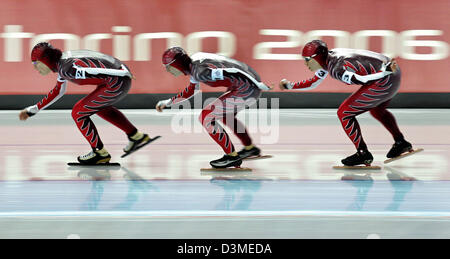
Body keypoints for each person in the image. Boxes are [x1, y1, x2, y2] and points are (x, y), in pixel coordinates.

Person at [279, 40, 414, 166]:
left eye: (308, 60)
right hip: (392, 72)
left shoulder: (337, 69)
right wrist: (290, 86)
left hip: (385, 77)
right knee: (377, 110)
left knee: (344, 113)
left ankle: (363, 153)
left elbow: (363, 79)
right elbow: (314, 82)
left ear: (318, 58)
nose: (306, 63)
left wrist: (385, 72)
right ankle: (401, 142)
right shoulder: (329, 57)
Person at [19, 42, 154, 165]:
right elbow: (58, 91)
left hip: (117, 81)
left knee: (78, 112)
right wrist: (33, 109)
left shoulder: (66, 68)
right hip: (116, 79)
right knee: (98, 108)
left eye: (36, 64)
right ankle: (135, 136)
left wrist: (122, 72)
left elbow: (89, 71)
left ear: (45, 60)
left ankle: (99, 153)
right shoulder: (62, 64)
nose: (36, 69)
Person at [156, 47, 271, 168]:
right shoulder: (194, 63)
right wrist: (168, 102)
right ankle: (250, 148)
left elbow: (233, 71)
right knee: (227, 117)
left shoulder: (200, 72)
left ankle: (232, 157)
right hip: (244, 83)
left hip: (248, 87)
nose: (168, 71)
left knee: (206, 117)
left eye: (169, 67)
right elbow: (192, 90)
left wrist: (257, 83)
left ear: (178, 64)